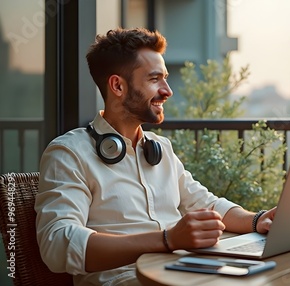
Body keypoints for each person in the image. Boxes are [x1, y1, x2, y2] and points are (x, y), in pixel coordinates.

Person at [34, 27, 276, 286]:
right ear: (117, 85)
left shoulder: (160, 148)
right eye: (154, 79)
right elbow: (57, 245)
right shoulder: (69, 153)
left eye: (165, 78)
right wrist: (168, 240)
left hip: (184, 273)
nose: (168, 90)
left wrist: (258, 220)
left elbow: (206, 204)